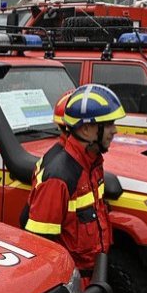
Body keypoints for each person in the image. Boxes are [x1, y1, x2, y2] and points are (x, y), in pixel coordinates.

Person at [23, 84, 121, 280]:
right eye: (108, 124)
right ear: (86, 130)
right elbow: (41, 247)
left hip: (94, 275)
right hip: (74, 283)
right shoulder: (59, 177)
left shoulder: (92, 161)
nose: (115, 130)